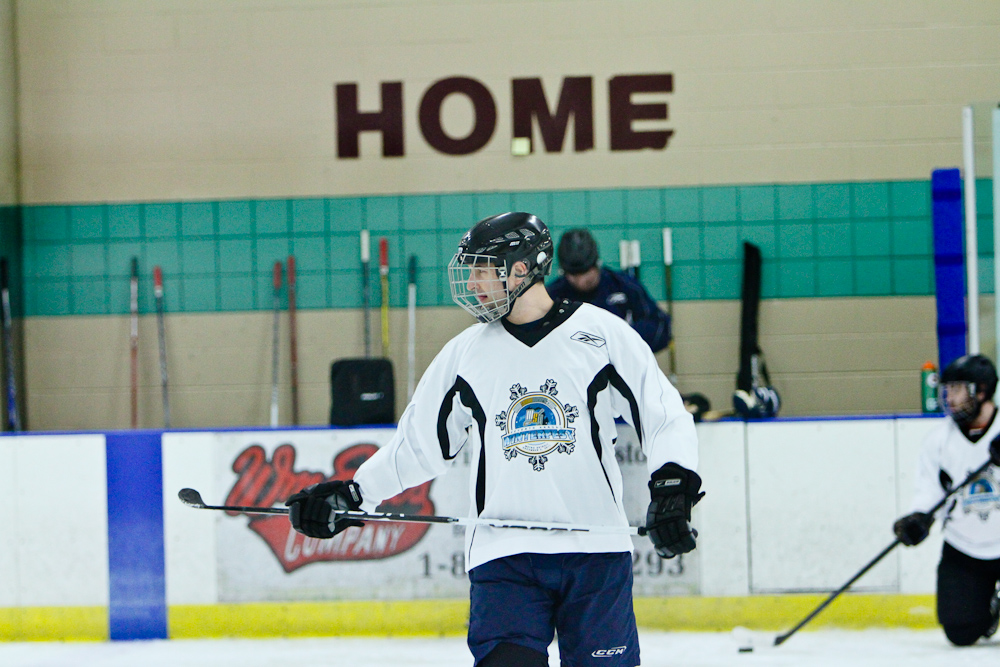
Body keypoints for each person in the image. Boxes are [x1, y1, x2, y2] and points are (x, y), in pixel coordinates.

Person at [285, 212, 702, 667]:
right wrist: (353, 493)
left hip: (595, 554)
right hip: (504, 558)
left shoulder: (602, 335)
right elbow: (418, 446)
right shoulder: (466, 354)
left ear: (521, 268)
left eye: (482, 269)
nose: (472, 283)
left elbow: (663, 414)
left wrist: (673, 487)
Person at [893, 353, 1000, 646]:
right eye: (947, 390)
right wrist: (919, 517)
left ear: (981, 391)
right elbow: (930, 491)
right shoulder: (938, 440)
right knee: (961, 633)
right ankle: (991, 608)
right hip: (964, 548)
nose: (949, 398)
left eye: (957, 390)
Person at [546, 228, 672, 353]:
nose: (581, 281)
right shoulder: (553, 296)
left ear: (596, 264)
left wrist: (620, 341)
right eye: (574, 275)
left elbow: (660, 327)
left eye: (585, 273)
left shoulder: (624, 286)